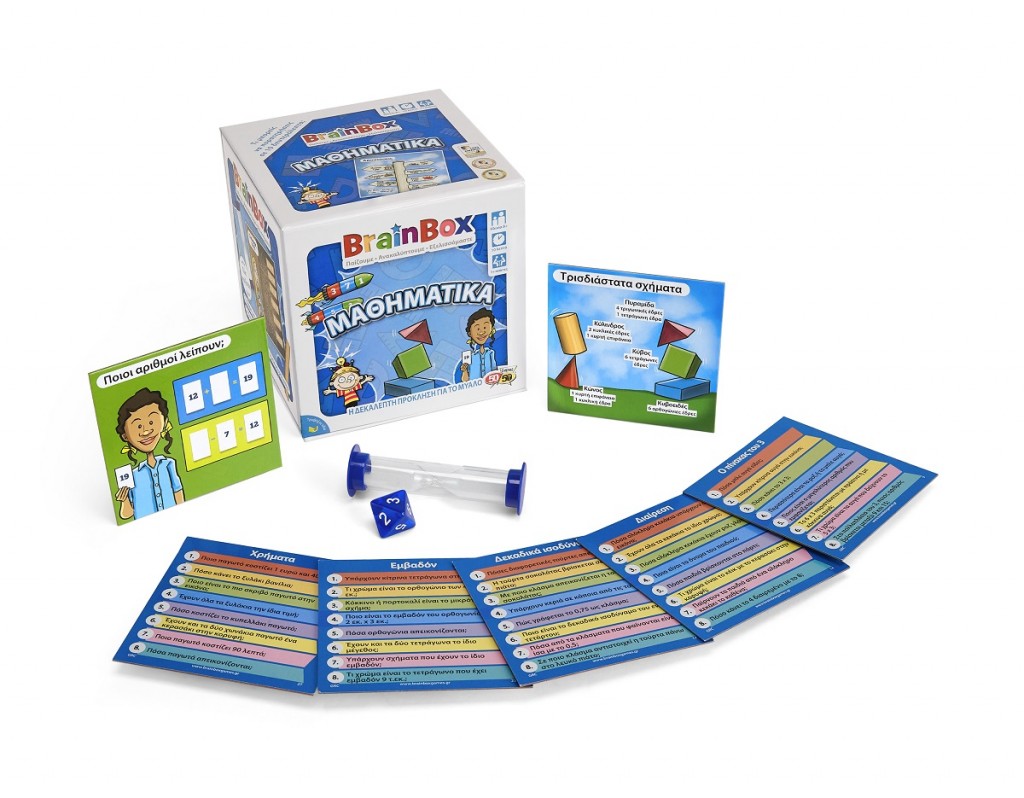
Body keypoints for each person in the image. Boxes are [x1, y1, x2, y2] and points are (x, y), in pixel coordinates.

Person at [115, 388, 184, 520]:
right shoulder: (132, 476)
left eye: (151, 422)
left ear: (164, 422)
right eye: (138, 426)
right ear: (125, 436)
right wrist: (124, 500)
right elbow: (126, 514)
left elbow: (178, 494)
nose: (146, 431)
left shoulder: (168, 464)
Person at [461, 308, 499, 382]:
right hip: (474, 386)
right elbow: (465, 380)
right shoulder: (471, 357)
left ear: (491, 329)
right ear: (470, 333)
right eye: (477, 329)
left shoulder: (490, 353)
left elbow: (494, 371)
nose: (481, 332)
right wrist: (464, 371)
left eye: (485, 327)